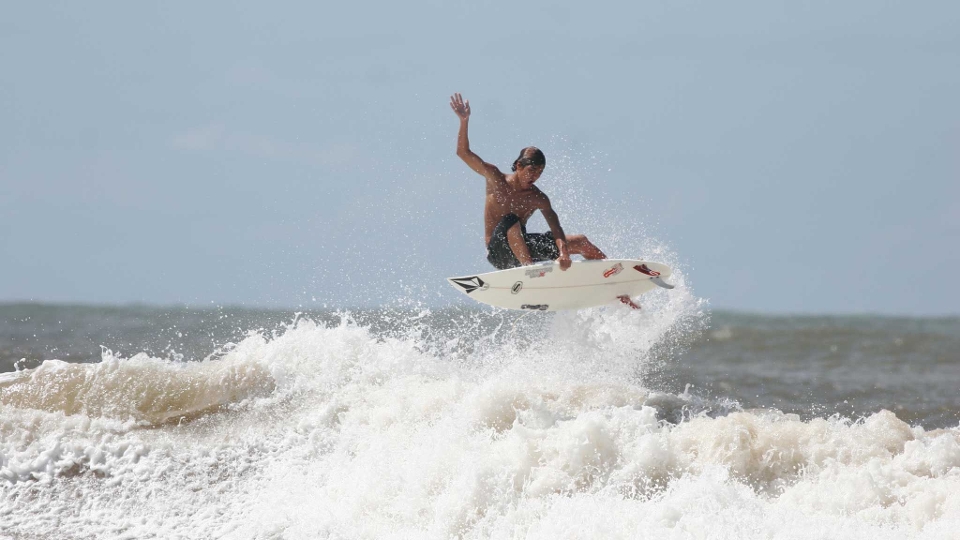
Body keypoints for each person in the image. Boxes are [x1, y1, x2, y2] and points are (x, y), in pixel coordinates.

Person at [449, 93, 606, 272]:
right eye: (532, 170)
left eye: (540, 172)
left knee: (580, 241)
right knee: (511, 219)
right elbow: (463, 153)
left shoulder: (538, 197)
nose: (535, 176)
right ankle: (529, 271)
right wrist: (464, 121)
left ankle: (613, 276)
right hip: (498, 251)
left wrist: (564, 253)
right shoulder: (495, 178)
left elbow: (556, 228)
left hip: (523, 247)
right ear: (519, 166)